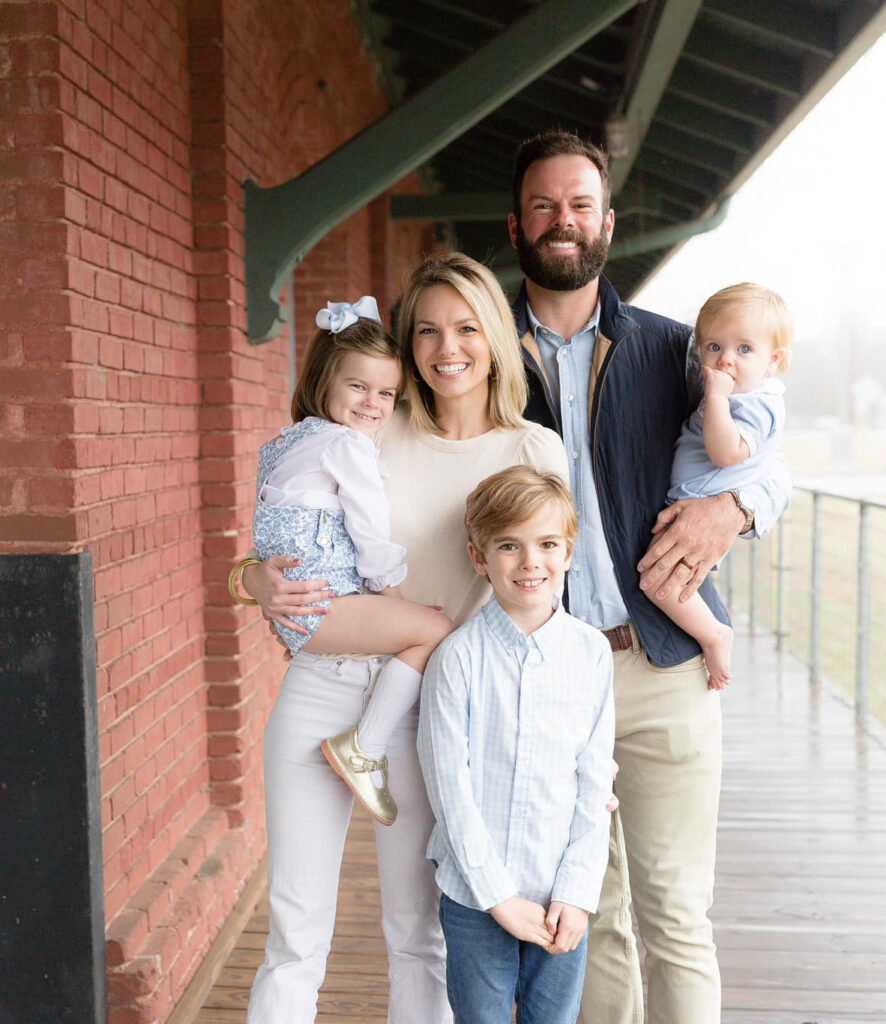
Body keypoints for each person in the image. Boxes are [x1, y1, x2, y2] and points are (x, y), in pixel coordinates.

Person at [231, 251, 568, 1024]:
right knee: (294, 933)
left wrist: (575, 747)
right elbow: (283, 534)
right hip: (320, 688)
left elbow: (551, 608)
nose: (447, 347)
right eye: (426, 330)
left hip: (427, 711)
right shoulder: (373, 424)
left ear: (493, 335)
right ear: (407, 343)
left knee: (418, 936)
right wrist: (249, 581)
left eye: (464, 328)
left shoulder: (531, 451)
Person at [506, 129, 792, 1024]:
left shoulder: (678, 352)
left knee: (674, 913)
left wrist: (738, 509)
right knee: (588, 916)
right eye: (546, 205)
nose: (564, 220)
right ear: (515, 226)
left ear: (607, 224)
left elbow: (771, 452)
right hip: (544, 679)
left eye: (580, 205)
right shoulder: (478, 360)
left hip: (660, 664)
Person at [417, 466, 615, 1024]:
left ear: (569, 551)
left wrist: (576, 892)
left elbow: (596, 781)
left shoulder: (591, 654)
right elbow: (449, 790)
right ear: (480, 558)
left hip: (561, 897)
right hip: (477, 896)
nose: (531, 562)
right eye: (509, 546)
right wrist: (497, 897)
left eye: (548, 543)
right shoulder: (457, 658)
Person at [249, 295, 452, 826]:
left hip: (302, 616)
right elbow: (369, 534)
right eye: (358, 387)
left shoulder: (286, 442)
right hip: (324, 607)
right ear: (325, 380)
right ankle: (363, 747)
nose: (374, 404)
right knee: (432, 630)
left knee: (420, 627)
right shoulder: (348, 446)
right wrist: (396, 601)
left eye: (387, 392)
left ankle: (361, 744)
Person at [644, 282, 793, 690]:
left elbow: (727, 451)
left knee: (656, 584)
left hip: (699, 508)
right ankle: (711, 630)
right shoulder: (736, 396)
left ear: (773, 359)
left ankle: (714, 633)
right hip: (686, 501)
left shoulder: (756, 403)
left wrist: (715, 399)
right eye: (713, 347)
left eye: (744, 350)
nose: (726, 360)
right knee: (659, 581)